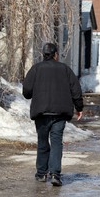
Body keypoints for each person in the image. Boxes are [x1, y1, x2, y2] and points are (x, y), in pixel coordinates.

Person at [22, 43, 83, 186]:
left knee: (43, 142)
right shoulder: (65, 69)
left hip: (41, 113)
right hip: (60, 113)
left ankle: (42, 174)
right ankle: (55, 174)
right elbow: (76, 90)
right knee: (56, 143)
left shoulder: (36, 69)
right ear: (55, 54)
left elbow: (26, 92)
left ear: (44, 54)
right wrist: (79, 107)